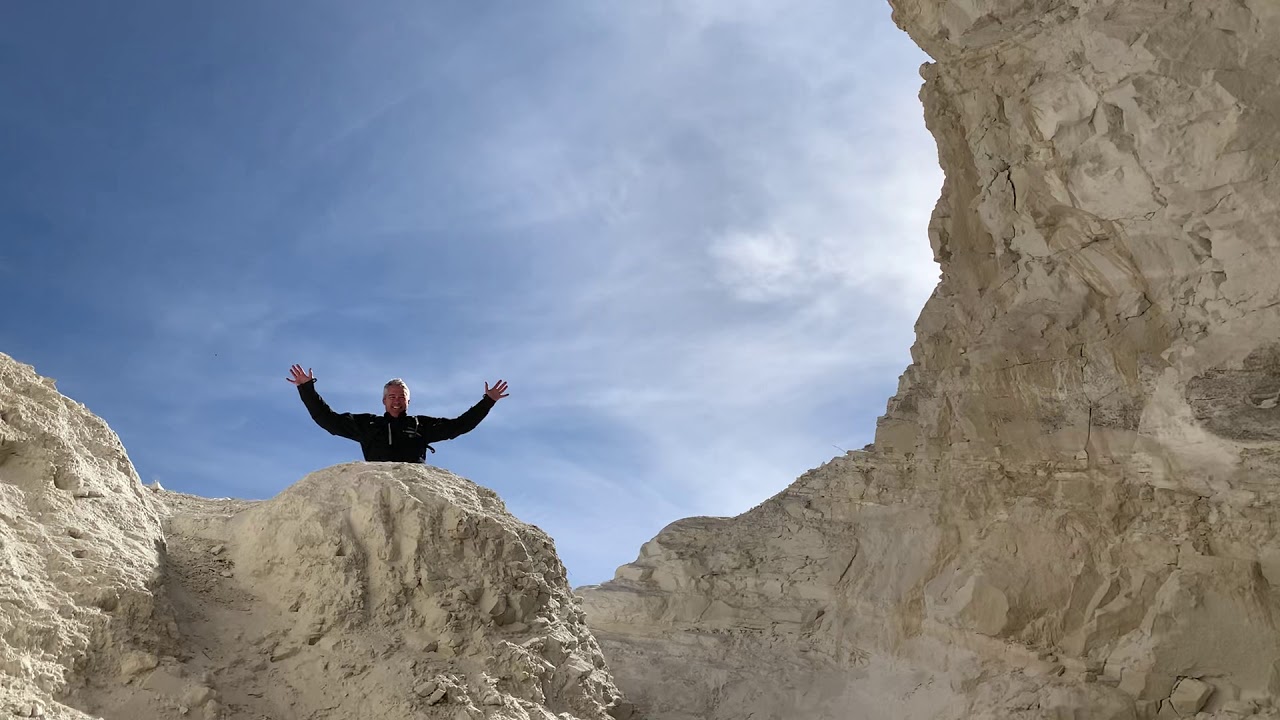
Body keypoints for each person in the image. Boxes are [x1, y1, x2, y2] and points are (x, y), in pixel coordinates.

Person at [286, 364, 509, 463]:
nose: (396, 400)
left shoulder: (420, 425)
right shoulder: (368, 424)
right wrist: (307, 389)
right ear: (384, 400)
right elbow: (328, 420)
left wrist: (488, 401)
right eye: (392, 396)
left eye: (401, 397)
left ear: (408, 401)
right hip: (377, 483)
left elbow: (460, 425)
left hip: (415, 484)